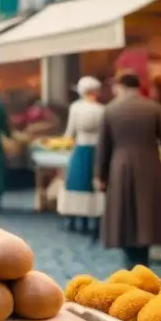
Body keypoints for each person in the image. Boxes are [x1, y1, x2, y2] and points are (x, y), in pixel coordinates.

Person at [95, 73, 161, 268]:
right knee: (146, 213)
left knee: (123, 212)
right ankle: (143, 261)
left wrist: (100, 175)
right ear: (138, 87)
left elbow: (103, 147)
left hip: (120, 165)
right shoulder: (154, 108)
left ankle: (129, 261)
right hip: (149, 166)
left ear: (120, 87)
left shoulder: (110, 110)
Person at [58, 76, 105, 236]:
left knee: (76, 183)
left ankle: (74, 218)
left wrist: (63, 144)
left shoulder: (75, 108)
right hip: (96, 150)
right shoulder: (101, 109)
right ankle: (94, 218)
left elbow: (70, 131)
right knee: (93, 184)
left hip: (80, 148)